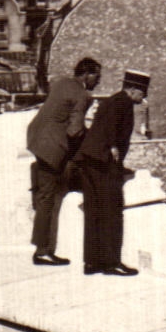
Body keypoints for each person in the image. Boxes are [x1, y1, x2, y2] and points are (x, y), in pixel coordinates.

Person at [25, 57, 102, 266]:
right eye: (97, 76)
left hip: (37, 141)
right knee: (47, 199)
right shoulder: (82, 94)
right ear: (87, 74)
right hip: (52, 148)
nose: (98, 81)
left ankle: (42, 248)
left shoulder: (62, 83)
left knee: (44, 196)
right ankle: (42, 251)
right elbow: (74, 130)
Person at [75, 69, 149, 276]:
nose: (144, 97)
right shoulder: (123, 103)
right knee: (112, 212)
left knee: (94, 211)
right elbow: (111, 128)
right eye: (142, 93)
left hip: (89, 160)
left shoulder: (111, 100)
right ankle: (111, 262)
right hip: (103, 162)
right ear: (133, 89)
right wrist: (112, 147)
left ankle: (92, 262)